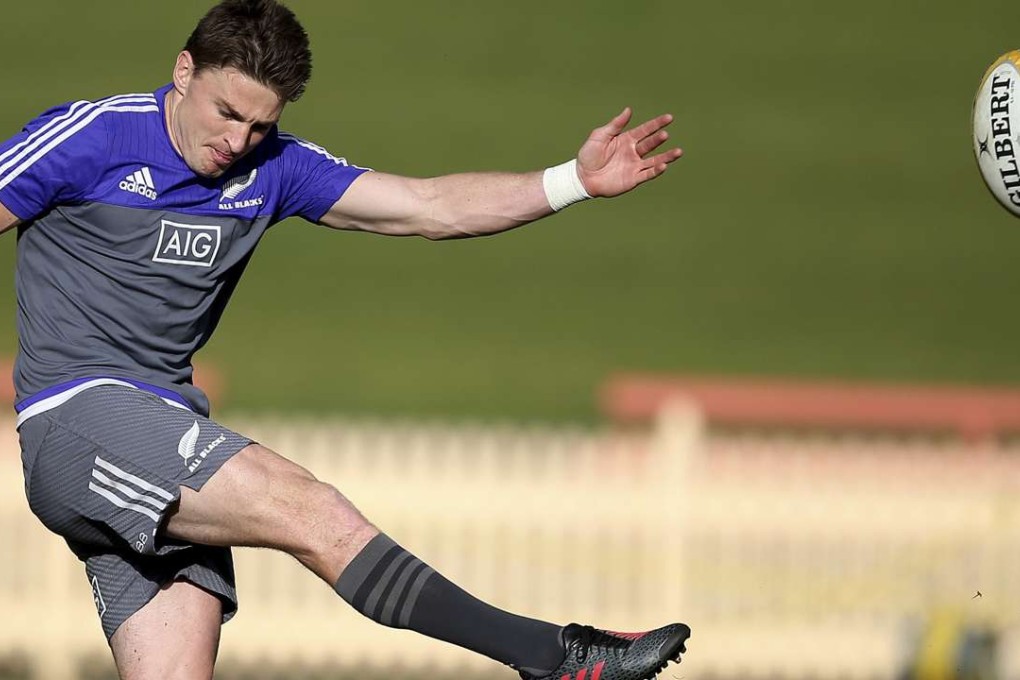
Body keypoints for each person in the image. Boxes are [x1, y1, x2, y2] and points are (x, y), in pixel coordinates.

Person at [0, 1, 690, 678]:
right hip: (78, 419)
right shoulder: (91, 137)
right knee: (309, 506)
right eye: (226, 113)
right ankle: (553, 656)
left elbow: (427, 207)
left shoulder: (273, 165)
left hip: (162, 432)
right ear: (184, 73)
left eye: (259, 124)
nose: (237, 142)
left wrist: (573, 181)